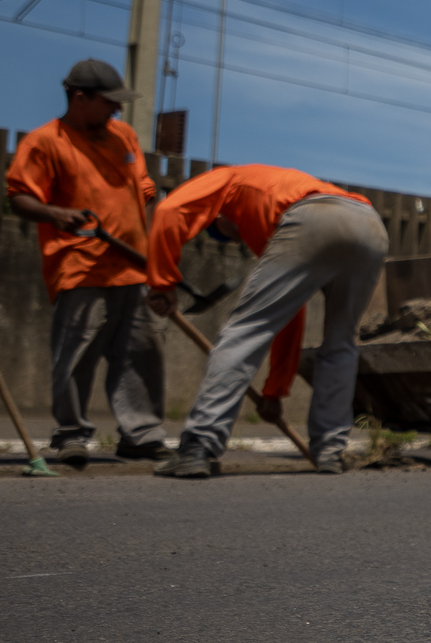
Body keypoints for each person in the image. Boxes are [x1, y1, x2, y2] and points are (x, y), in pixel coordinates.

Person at [147, 164, 388, 478]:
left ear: (221, 215)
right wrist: (274, 392)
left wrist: (161, 283)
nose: (234, 239)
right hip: (370, 225)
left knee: (244, 332)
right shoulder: (270, 209)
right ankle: (330, 452)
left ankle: (198, 447)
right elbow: (289, 316)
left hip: (314, 215)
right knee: (340, 344)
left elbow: (169, 210)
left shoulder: (228, 181)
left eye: (224, 231)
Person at [4, 59, 168, 467]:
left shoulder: (123, 136)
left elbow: (144, 189)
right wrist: (57, 213)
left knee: (142, 352)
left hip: (133, 265)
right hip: (79, 265)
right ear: (80, 98)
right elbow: (19, 197)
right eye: (109, 102)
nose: (117, 110)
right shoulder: (44, 142)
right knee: (75, 356)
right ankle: (70, 435)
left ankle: (141, 434)